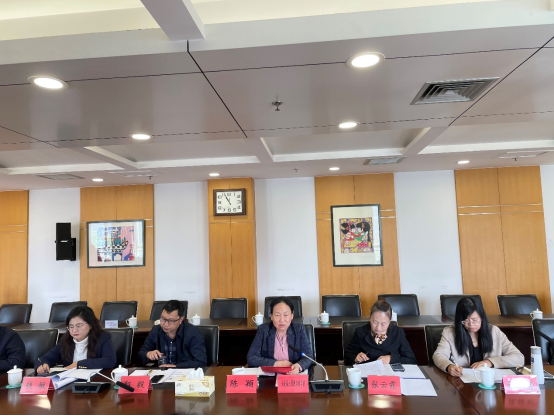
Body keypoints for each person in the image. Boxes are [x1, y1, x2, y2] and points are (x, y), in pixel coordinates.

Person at [433, 297, 524, 377]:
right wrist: (449, 366)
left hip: (490, 381)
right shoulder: (449, 332)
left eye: (475, 320)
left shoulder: (494, 331)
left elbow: (519, 357)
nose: (471, 324)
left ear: (482, 317)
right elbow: (439, 355)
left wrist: (489, 362)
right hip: (462, 381)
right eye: (465, 321)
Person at [35, 306, 117, 373]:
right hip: (69, 383)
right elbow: (44, 358)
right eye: (71, 326)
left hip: (94, 381)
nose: (74, 330)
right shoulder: (66, 340)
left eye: (79, 326)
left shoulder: (103, 338)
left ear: (91, 325)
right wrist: (42, 365)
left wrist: (78, 364)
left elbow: (110, 360)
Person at [247, 297, 313, 374]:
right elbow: (251, 358)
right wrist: (275, 363)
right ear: (271, 316)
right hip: (270, 376)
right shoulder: (263, 330)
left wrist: (299, 366)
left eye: (286, 315)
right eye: (277, 315)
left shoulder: (299, 329)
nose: (282, 320)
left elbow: (308, 356)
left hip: (293, 375)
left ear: (292, 315)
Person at [344, 299, 417, 366]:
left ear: (390, 321)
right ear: (370, 318)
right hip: (368, 373)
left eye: (383, 324)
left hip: (391, 374)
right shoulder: (360, 332)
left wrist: (391, 358)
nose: (378, 328)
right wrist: (356, 358)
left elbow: (411, 360)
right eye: (375, 322)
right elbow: (348, 356)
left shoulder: (398, 333)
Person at [139, 300, 207, 368]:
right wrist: (148, 354)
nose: (165, 324)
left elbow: (201, 362)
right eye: (163, 319)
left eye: (171, 321)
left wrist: (175, 366)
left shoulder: (193, 333)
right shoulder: (156, 330)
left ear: (180, 320)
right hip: (161, 372)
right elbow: (141, 353)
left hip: (183, 372)